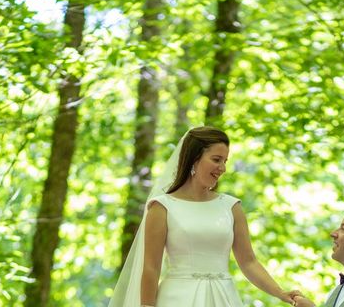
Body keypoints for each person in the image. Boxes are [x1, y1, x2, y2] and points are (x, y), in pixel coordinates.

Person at [108, 126, 299, 307]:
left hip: (223, 297)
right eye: (216, 160)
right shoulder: (162, 207)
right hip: (177, 298)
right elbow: (151, 267)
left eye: (225, 161)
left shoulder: (231, 207)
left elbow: (249, 262)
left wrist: (280, 293)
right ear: (194, 159)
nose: (222, 168)